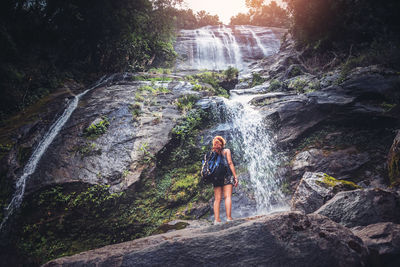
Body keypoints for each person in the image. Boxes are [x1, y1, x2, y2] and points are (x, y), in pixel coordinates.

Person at [211, 136, 238, 225]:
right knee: (227, 197)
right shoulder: (226, 151)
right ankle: (229, 218)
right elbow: (230, 163)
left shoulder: (212, 153)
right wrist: (235, 177)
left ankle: (217, 220)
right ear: (222, 143)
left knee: (217, 199)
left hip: (216, 177)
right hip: (226, 175)